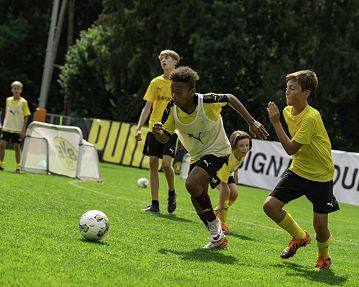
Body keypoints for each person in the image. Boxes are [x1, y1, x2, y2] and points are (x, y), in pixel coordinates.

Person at [153, 66, 268, 249]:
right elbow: (165, 136)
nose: (174, 96)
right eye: (172, 91)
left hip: (219, 151)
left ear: (192, 92)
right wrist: (158, 133)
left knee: (191, 183)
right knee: (195, 196)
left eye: (179, 92)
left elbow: (229, 98)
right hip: (197, 155)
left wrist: (251, 121)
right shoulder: (172, 108)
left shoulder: (206, 101)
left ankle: (215, 226)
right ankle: (217, 238)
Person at [263, 69, 339, 270]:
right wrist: (280, 119)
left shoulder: (311, 117)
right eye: (286, 88)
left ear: (306, 93)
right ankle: (299, 237)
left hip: (320, 176)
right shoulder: (288, 111)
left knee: (321, 227)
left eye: (292, 88)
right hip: (297, 170)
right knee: (270, 206)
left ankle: (324, 258)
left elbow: (290, 148)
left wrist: (275, 122)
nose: (286, 92)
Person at [135, 49, 180, 213]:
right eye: (161, 58)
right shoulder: (155, 82)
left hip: (171, 130)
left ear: (175, 62)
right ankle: (154, 203)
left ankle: (171, 192)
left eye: (167, 58)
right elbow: (147, 106)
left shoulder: (180, 83)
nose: (163, 60)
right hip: (154, 127)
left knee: (167, 165)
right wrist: (139, 128)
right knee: (153, 163)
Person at [213, 130, 252, 233]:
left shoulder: (242, 153)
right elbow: (223, 184)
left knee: (234, 194)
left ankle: (214, 215)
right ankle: (221, 224)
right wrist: (221, 205)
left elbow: (236, 164)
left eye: (247, 145)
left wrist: (236, 172)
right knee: (227, 193)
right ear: (234, 146)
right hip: (214, 172)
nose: (245, 148)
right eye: (242, 146)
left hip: (227, 172)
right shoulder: (229, 158)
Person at [0, 81, 31, 173]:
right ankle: (0, 164)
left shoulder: (23, 102)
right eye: (14, 88)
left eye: (18, 88)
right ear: (11, 89)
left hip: (17, 129)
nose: (16, 90)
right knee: (1, 145)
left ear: (21, 90)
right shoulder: (8, 100)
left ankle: (18, 166)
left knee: (17, 147)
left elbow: (26, 116)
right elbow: (7, 113)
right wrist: (3, 123)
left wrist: (23, 130)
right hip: (7, 127)